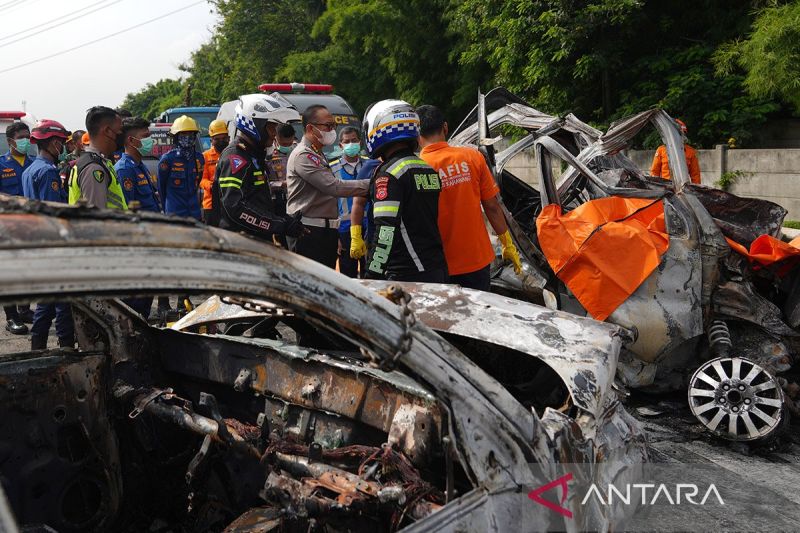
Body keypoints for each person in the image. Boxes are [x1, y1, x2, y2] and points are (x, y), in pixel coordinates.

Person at [417, 104, 522, 291]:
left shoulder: (415, 167)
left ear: (417, 135)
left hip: (436, 264)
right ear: (445, 127)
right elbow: (492, 206)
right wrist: (507, 243)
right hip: (477, 260)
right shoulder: (472, 157)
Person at [361, 99, 447, 282]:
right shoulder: (426, 168)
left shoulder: (389, 174)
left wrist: (372, 274)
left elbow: (386, 230)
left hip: (406, 275)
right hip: (436, 266)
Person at [212, 93, 305, 241]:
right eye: (271, 128)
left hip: (255, 240)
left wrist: (285, 218)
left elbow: (257, 200)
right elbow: (234, 207)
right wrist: (278, 225)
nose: (275, 134)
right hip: (238, 243)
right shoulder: (236, 157)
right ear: (255, 124)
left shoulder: (253, 155)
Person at [286, 105, 369, 268]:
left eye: (334, 126)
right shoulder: (303, 155)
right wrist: (372, 184)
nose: (332, 130)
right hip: (308, 232)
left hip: (323, 232)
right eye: (328, 126)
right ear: (310, 128)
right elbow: (333, 187)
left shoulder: (317, 153)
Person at [21, 120, 75, 350]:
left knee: (47, 301)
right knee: (63, 303)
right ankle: (66, 348)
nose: (63, 147)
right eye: (62, 143)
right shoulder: (47, 172)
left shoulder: (30, 169)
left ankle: (38, 347)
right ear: (54, 143)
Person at [1, 122, 35, 334]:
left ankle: (24, 309)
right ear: (10, 140)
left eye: (28, 137)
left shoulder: (33, 163)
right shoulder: (1, 164)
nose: (26, 141)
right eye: (22, 137)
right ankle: (11, 317)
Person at [68, 106, 128, 210]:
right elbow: (96, 219)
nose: (122, 135)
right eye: (119, 130)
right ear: (108, 131)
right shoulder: (94, 168)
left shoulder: (98, 162)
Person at [330, 126, 369, 277]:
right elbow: (330, 203)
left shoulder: (370, 165)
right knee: (348, 276)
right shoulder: (332, 168)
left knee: (370, 274)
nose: (351, 144)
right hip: (344, 230)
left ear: (360, 142)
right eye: (347, 142)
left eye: (354, 140)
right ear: (340, 145)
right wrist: (336, 237)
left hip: (368, 227)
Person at [157, 115, 203, 221]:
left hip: (194, 213)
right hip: (174, 213)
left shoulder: (199, 158)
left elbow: (197, 182)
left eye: (191, 133)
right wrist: (166, 210)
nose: (188, 137)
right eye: (184, 134)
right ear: (176, 136)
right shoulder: (167, 159)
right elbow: (161, 188)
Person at [115, 117, 160, 213]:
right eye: (145, 136)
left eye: (149, 136)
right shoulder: (125, 169)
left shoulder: (140, 165)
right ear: (131, 140)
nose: (150, 140)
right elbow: (129, 208)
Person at [650, 118, 701, 184]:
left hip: (683, 189)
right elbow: (654, 172)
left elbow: (695, 176)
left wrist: (695, 192)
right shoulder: (661, 150)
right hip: (665, 188)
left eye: (682, 133)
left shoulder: (690, 152)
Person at [200, 119, 229, 222]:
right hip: (210, 204)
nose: (221, 141)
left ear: (229, 139)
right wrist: (213, 186)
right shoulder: (205, 156)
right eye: (217, 139)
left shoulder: (233, 155)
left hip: (230, 202)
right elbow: (202, 180)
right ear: (211, 140)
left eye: (224, 138)